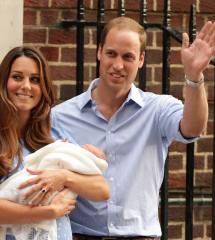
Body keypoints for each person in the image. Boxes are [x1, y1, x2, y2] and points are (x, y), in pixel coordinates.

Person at [49, 17, 215, 239]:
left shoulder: (158, 109)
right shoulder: (61, 117)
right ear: (99, 52)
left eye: (128, 56)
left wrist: (194, 77)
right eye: (111, 54)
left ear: (141, 60)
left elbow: (192, 128)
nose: (118, 65)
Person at [0, 46, 110, 240]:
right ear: (4, 82)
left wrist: (63, 177)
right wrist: (47, 213)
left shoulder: (55, 135)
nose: (26, 86)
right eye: (17, 77)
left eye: (35, 79)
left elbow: (102, 189)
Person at [0, 140, 108, 240]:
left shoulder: (57, 131)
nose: (82, 149)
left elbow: (104, 190)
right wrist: (49, 212)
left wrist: (64, 176)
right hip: (12, 221)